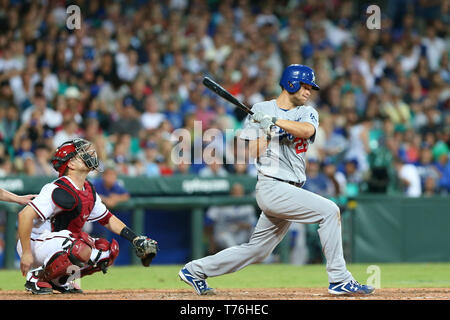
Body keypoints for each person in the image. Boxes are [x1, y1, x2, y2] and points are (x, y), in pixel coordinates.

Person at [178, 64, 374, 296]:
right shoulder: (260, 109)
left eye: (311, 87)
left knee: (258, 251)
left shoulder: (307, 111)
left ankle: (195, 270)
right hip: (272, 185)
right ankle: (339, 279)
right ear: (291, 83)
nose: (309, 91)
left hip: (290, 188)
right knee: (330, 211)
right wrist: (266, 130)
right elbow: (252, 153)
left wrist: (275, 122)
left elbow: (306, 131)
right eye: (305, 86)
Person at [16, 138, 158, 295]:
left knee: (107, 251)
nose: (88, 155)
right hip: (35, 243)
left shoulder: (88, 189)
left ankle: (59, 281)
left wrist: (135, 238)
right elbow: (24, 216)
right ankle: (36, 277)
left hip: (59, 244)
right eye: (80, 154)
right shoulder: (57, 188)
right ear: (70, 164)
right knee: (79, 246)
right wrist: (27, 253)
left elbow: (107, 219)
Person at [204, 183, 257, 254]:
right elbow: (208, 223)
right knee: (226, 238)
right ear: (231, 192)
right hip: (223, 234)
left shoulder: (248, 206)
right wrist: (211, 242)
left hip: (241, 234)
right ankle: (238, 257)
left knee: (254, 232)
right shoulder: (221, 203)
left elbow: (254, 224)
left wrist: (244, 225)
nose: (238, 194)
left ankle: (267, 259)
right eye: (235, 191)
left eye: (240, 192)